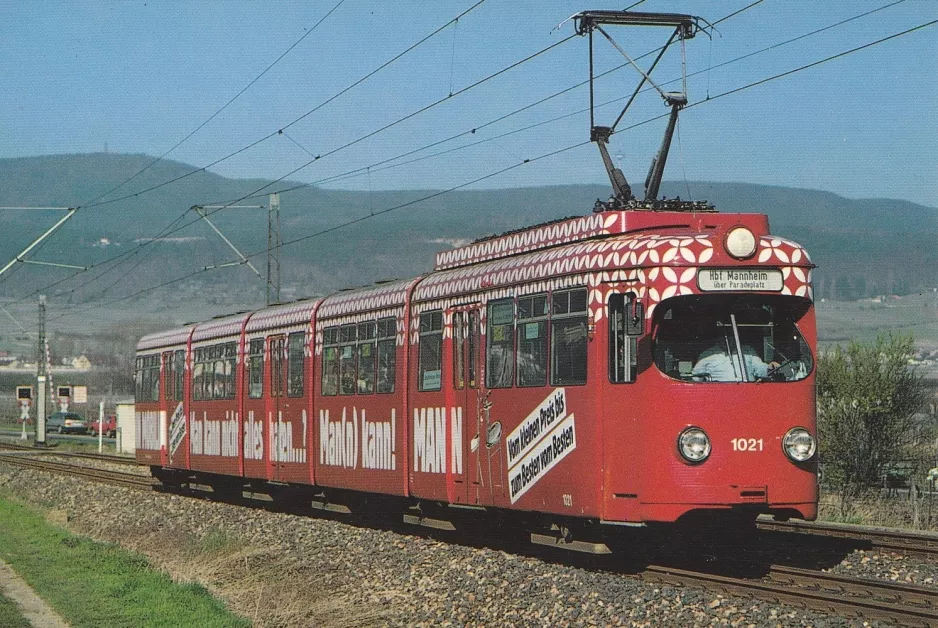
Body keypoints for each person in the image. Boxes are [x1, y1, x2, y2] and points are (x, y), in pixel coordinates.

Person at [692, 340, 778, 382]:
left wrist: (769, 368)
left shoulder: (748, 351)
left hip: (749, 392)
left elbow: (760, 368)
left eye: (731, 335)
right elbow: (696, 377)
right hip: (719, 395)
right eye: (724, 335)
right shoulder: (707, 354)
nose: (727, 339)